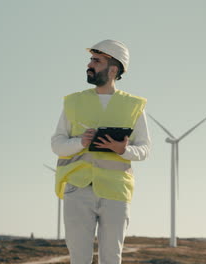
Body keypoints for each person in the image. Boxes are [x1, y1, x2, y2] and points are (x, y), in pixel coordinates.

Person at [51, 39, 151, 264]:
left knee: (111, 258)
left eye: (96, 60)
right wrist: (80, 142)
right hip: (77, 188)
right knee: (79, 259)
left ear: (113, 69)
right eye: (90, 59)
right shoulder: (73, 102)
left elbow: (144, 150)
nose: (90, 64)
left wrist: (123, 150)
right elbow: (56, 144)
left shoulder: (134, 106)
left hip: (116, 190)